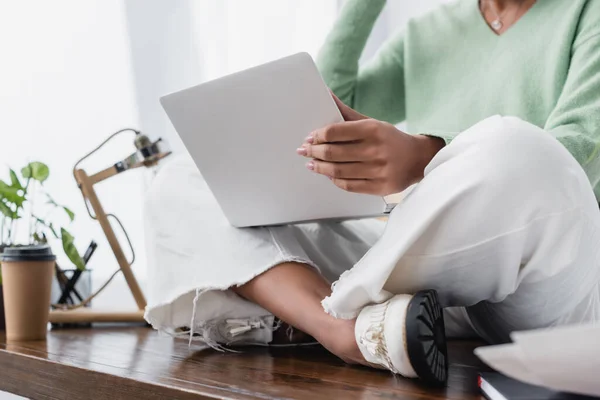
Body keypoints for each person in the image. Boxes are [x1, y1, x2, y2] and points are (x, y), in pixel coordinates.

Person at [145, 0, 600, 386]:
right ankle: (342, 328)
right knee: (182, 179)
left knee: (521, 147)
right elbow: (320, 113)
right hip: (413, 270)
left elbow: (575, 152)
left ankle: (336, 312)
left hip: (537, 275)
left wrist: (424, 156)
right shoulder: (428, 32)